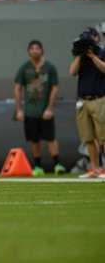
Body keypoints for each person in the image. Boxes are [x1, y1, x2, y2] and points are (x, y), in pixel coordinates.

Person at [14, 40, 65, 176]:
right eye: (32, 48)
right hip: (31, 110)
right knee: (34, 139)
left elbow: (55, 88)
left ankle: (57, 164)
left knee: (50, 138)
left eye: (37, 48)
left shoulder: (49, 67)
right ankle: (37, 167)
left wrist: (50, 108)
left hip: (45, 110)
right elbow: (18, 88)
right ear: (28, 51)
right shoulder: (25, 68)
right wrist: (19, 109)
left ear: (41, 50)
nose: (35, 51)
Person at [69, 27, 105, 179]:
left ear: (96, 38)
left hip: (100, 99)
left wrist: (92, 56)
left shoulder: (102, 53)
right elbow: (72, 72)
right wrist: (79, 55)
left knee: (104, 137)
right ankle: (94, 168)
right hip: (83, 100)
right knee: (89, 138)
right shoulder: (81, 57)